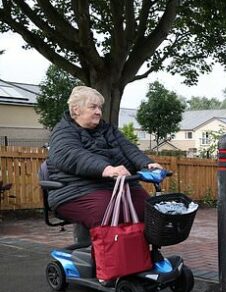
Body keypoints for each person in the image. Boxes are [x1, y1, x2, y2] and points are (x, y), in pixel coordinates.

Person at [47, 86, 163, 230]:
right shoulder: (63, 132)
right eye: (93, 107)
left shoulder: (108, 130)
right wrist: (106, 169)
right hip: (77, 189)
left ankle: (138, 251)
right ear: (76, 110)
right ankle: (108, 251)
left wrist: (147, 164)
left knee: (150, 212)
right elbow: (72, 154)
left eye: (100, 108)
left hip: (118, 186)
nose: (98, 112)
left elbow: (129, 148)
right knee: (107, 214)